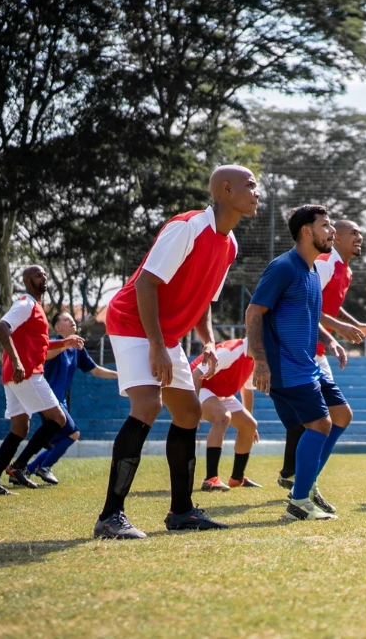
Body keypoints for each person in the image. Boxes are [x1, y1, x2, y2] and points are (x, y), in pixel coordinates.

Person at [93, 165, 259, 539]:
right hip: (133, 322)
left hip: (166, 335)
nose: (257, 191)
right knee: (148, 405)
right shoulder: (187, 227)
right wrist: (157, 346)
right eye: (250, 185)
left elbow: (203, 302)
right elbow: (146, 284)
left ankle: (181, 512)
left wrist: (210, 341)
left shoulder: (229, 245)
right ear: (226, 190)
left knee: (188, 412)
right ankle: (110, 516)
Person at [246, 204, 352, 521]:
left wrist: (331, 339)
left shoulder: (310, 271)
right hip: (284, 366)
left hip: (307, 363)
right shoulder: (284, 267)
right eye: (326, 225)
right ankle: (299, 501)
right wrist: (260, 362)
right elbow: (254, 312)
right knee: (320, 424)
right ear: (307, 231)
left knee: (342, 415)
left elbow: (308, 314)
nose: (332, 231)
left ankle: (306, 484)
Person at [275, 219, 366, 490]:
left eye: (361, 232)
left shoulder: (344, 270)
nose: (360, 237)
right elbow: (308, 304)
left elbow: (329, 307)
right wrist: (338, 329)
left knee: (333, 416)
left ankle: (301, 479)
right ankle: (302, 483)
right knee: (328, 417)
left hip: (318, 351)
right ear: (337, 238)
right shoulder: (324, 263)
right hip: (304, 353)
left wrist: (357, 326)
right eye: (354, 233)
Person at [0, 266, 82, 495]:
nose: (43, 278)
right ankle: (19, 466)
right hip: (25, 373)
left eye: (45, 274)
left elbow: (41, 347)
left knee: (19, 428)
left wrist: (66, 342)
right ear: (27, 281)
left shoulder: (36, 308)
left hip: (14, 375)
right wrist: (18, 363)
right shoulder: (26, 303)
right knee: (58, 420)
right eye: (38, 275)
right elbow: (2, 327)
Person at [25, 312, 117, 485]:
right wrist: (65, 344)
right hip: (47, 398)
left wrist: (119, 375)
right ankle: (42, 468)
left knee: (60, 440)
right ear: (58, 327)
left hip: (60, 402)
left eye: (72, 319)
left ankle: (25, 470)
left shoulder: (77, 349)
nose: (72, 321)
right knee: (73, 433)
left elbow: (95, 370)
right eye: (66, 319)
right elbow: (46, 355)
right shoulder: (53, 342)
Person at [191, 338, 261, 491]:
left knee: (250, 425)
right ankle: (211, 479)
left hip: (219, 392)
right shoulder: (230, 351)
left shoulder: (254, 359)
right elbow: (196, 374)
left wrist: (247, 426)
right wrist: (193, 409)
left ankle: (237, 478)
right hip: (198, 386)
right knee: (223, 417)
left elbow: (247, 389)